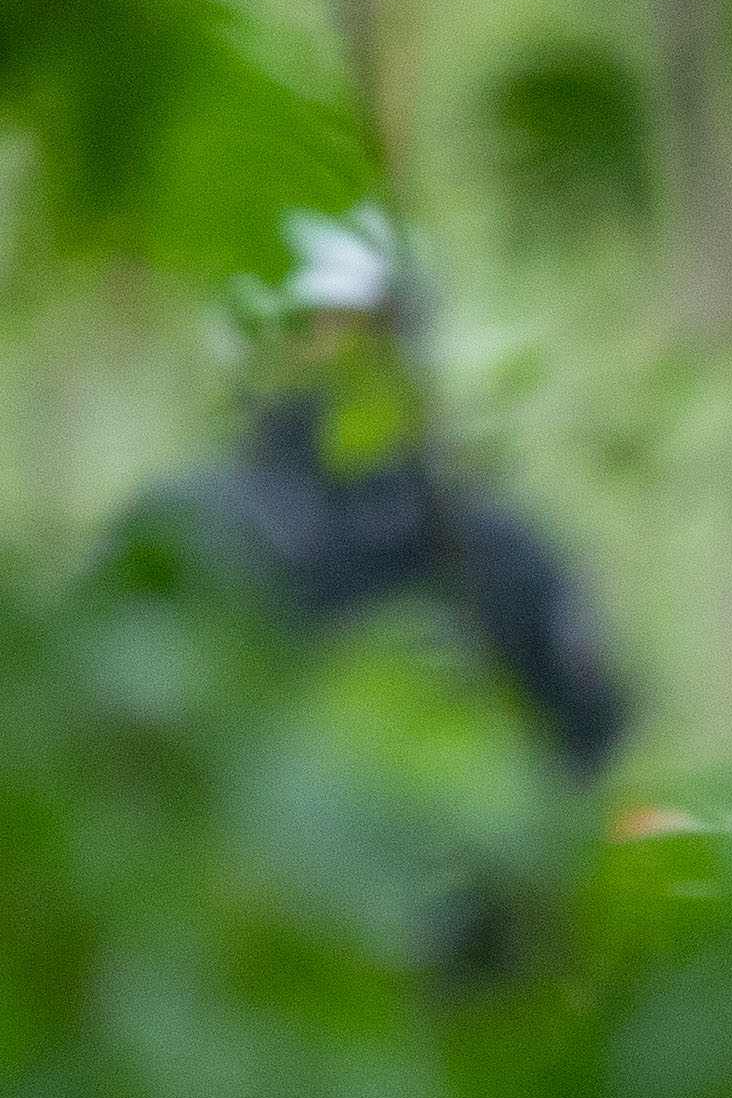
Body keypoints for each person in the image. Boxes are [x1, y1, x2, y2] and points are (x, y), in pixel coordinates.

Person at [130, 211, 628, 783]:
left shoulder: (495, 549)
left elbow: (581, 745)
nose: (343, 354)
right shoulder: (184, 534)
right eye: (311, 330)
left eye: (370, 329)